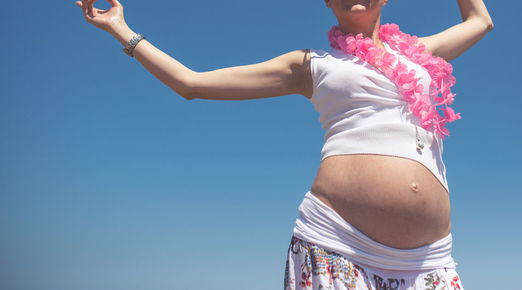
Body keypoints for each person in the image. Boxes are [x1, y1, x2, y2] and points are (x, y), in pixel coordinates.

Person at [76, 0, 493, 289]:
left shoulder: (419, 55)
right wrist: (121, 30)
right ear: (327, 1)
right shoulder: (310, 64)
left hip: (429, 262)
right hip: (338, 246)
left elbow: (480, 21)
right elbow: (193, 83)